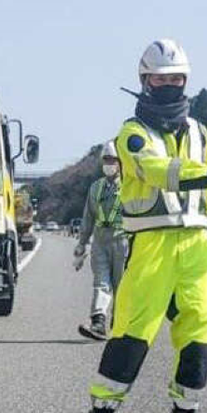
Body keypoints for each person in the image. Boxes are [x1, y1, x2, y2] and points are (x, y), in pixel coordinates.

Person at [78, 39, 207, 413]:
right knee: (130, 341)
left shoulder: (201, 133)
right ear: (145, 81)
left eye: (177, 78)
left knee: (199, 345)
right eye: (161, 78)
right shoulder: (132, 133)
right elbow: (160, 171)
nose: (170, 84)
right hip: (151, 248)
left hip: (196, 250)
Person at [73, 140, 128, 341]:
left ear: (121, 162)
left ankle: (120, 324)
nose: (109, 163)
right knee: (101, 282)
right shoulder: (95, 188)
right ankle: (98, 322)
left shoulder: (130, 185)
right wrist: (82, 243)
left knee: (122, 285)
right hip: (100, 241)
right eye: (106, 160)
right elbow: (88, 217)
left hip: (124, 240)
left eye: (113, 160)